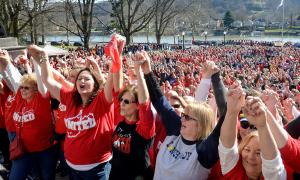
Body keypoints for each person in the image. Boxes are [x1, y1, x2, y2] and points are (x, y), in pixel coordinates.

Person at [28, 44, 115, 180]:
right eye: (79, 78)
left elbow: (112, 80)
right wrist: (43, 58)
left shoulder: (102, 100)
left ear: (95, 84)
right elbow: (48, 80)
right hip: (73, 168)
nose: (82, 80)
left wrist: (116, 56)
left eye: (87, 78)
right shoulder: (69, 98)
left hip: (97, 169)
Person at [142, 53, 227, 180]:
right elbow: (160, 101)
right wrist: (147, 71)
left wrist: (215, 78)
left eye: (188, 117)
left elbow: (226, 116)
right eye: (183, 115)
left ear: (201, 124)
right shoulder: (176, 130)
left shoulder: (205, 151)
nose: (182, 119)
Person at [218, 83, 287, 179]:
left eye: (259, 153)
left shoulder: (276, 175)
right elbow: (226, 149)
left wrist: (263, 123)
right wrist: (231, 111)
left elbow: (273, 166)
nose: (251, 157)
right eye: (247, 150)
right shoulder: (233, 168)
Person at [109, 51, 155, 180]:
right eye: (121, 100)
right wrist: (116, 56)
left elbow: (145, 103)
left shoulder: (143, 128)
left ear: (137, 106)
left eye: (127, 101)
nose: (121, 104)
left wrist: (138, 71)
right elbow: (117, 88)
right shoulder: (122, 119)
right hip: (116, 175)